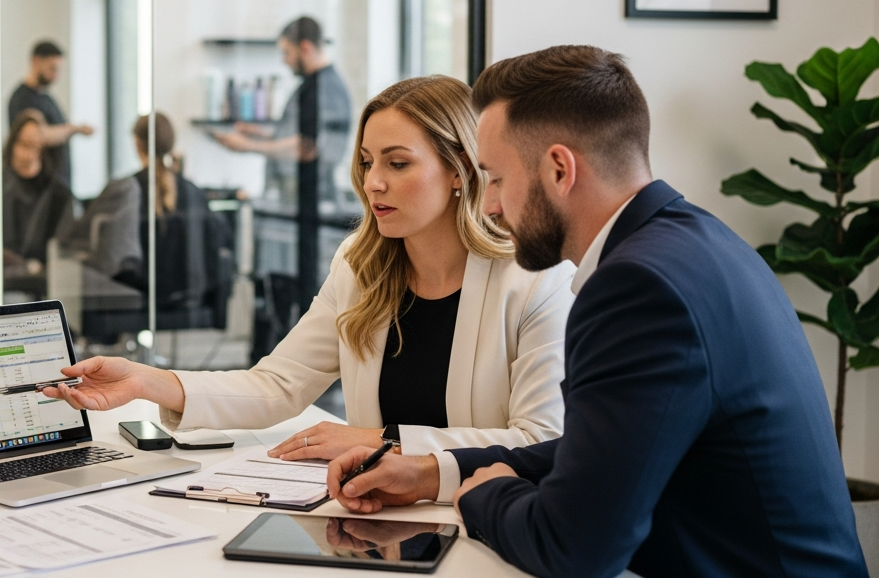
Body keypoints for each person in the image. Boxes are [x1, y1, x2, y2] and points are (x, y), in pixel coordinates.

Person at [328, 47, 866, 577]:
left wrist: (484, 496)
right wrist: (431, 474)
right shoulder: (697, 243)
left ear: (559, 170)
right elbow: (605, 453)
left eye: (497, 179)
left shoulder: (637, 289)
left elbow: (572, 549)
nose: (488, 205)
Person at [43, 76, 574, 462]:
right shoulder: (361, 265)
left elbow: (541, 440)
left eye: (397, 163)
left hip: (483, 519)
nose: (373, 182)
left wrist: (379, 440)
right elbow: (278, 385)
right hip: (372, 513)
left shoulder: (534, 279)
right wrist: (146, 380)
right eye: (366, 162)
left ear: (459, 169)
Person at [210, 16, 353, 314]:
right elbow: (297, 135)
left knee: (306, 300)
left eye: (287, 52)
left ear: (305, 48)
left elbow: (309, 147)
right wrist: (259, 133)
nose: (284, 61)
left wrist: (249, 146)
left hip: (312, 211)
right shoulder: (311, 87)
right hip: (295, 209)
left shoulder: (326, 90)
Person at [58, 113, 230, 303]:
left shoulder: (125, 191)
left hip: (140, 300)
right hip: (189, 302)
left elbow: (77, 236)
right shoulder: (194, 193)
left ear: (137, 143)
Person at [7, 40, 93, 184]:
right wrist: (73, 129)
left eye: (58, 70)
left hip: (58, 183)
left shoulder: (47, 98)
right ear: (36, 61)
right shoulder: (21, 99)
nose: (56, 75)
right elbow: (38, 136)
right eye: (52, 68)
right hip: (39, 186)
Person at [3, 110, 73, 275]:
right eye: (24, 144)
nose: (28, 154)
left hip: (42, 277)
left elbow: (63, 248)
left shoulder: (59, 195)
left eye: (35, 145)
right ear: (13, 144)